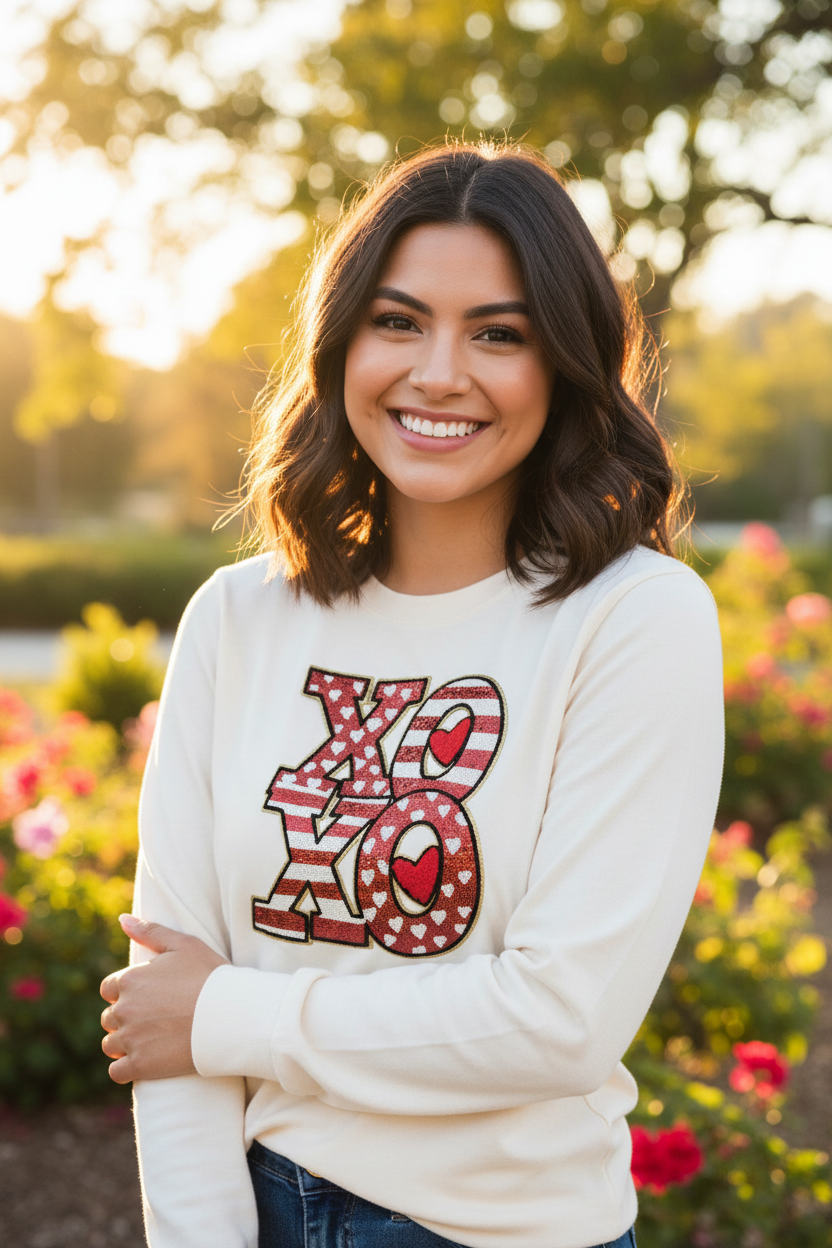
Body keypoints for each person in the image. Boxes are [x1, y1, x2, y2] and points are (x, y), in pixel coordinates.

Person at [99, 142, 724, 1248]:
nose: (438, 372)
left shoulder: (633, 617)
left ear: (564, 365)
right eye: (397, 322)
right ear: (340, 346)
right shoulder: (239, 619)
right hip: (258, 1204)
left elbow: (557, 1022)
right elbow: (166, 1006)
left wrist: (227, 1015)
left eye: (498, 333)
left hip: (504, 1232)